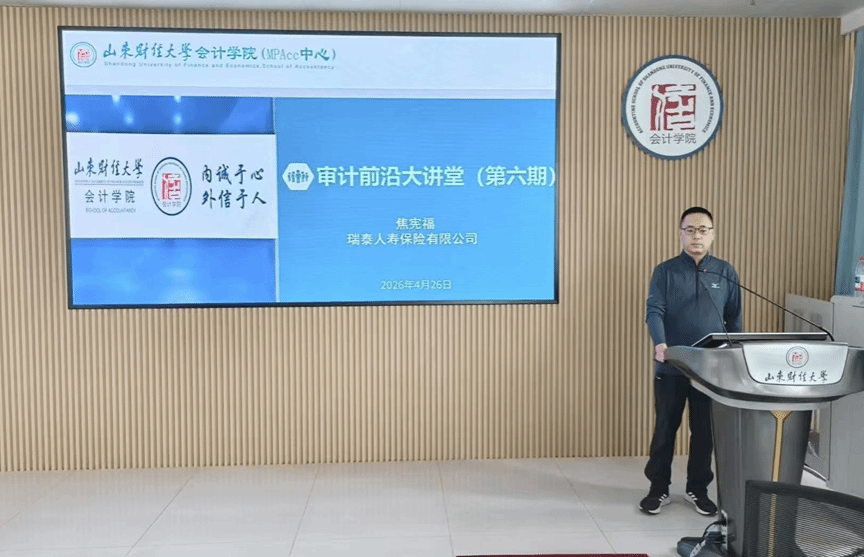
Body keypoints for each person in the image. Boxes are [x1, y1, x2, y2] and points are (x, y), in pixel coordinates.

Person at [639, 207, 742, 516]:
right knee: (664, 430)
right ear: (680, 233)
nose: (697, 236)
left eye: (703, 230)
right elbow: (654, 310)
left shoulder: (725, 272)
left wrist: (733, 355)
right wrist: (660, 343)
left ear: (712, 234)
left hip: (710, 368)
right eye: (690, 230)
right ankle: (658, 489)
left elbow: (734, 319)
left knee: (704, 433)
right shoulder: (665, 271)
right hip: (672, 365)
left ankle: (698, 489)